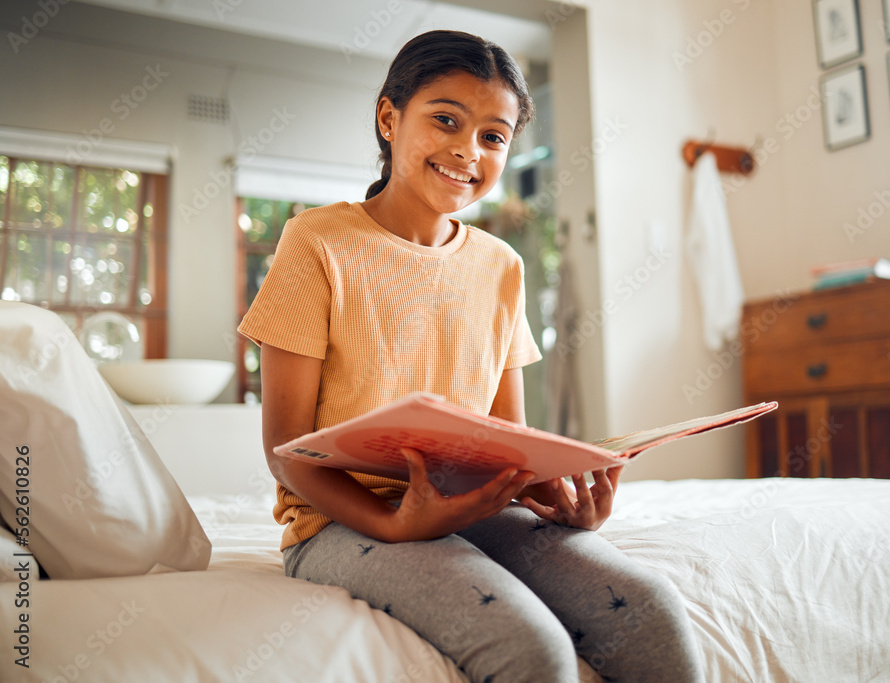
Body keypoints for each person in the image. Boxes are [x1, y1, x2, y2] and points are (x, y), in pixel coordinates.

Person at [238, 29, 703, 683]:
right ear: (389, 118)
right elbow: (287, 450)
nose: (467, 150)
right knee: (532, 645)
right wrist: (397, 523)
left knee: (653, 608)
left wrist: (563, 500)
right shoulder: (315, 243)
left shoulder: (501, 266)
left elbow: (503, 444)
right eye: (447, 120)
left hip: (473, 507)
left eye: (492, 135)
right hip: (342, 520)